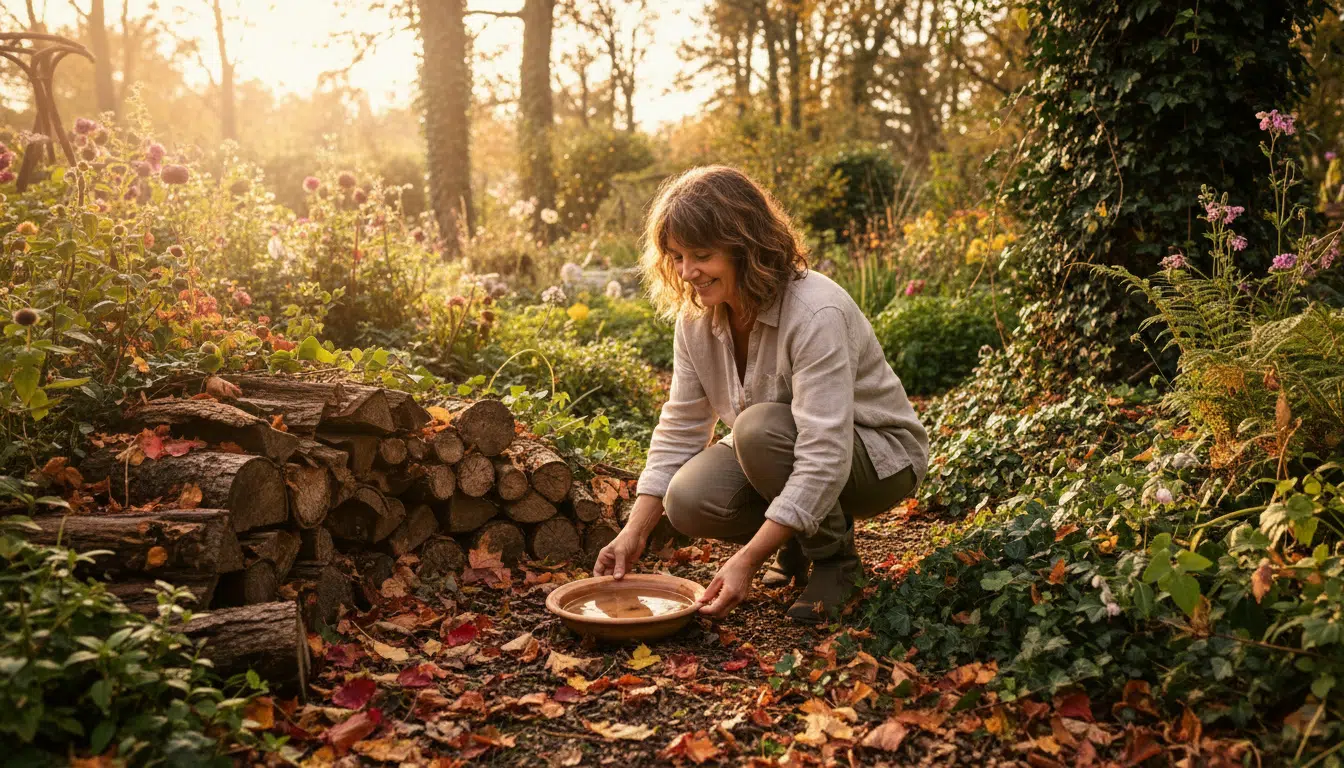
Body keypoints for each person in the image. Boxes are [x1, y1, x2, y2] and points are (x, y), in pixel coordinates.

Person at [593, 165, 929, 623]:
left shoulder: (815, 312)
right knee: (687, 499)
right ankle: (797, 538)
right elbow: (681, 427)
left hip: (877, 459)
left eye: (702, 255)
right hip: (782, 448)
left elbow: (825, 452)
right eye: (676, 256)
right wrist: (634, 531)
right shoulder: (696, 319)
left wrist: (747, 559)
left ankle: (836, 562)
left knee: (757, 430)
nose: (687, 272)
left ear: (745, 247)